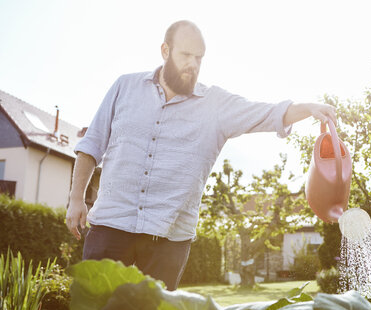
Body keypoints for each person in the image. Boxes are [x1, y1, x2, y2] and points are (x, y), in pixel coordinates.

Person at [66, 20, 336, 291]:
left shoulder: (215, 105)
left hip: (168, 239)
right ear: (165, 50)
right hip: (111, 225)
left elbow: (267, 113)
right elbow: (91, 145)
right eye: (186, 55)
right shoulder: (124, 87)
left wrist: (309, 108)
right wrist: (77, 198)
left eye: (199, 58)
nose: (192, 64)